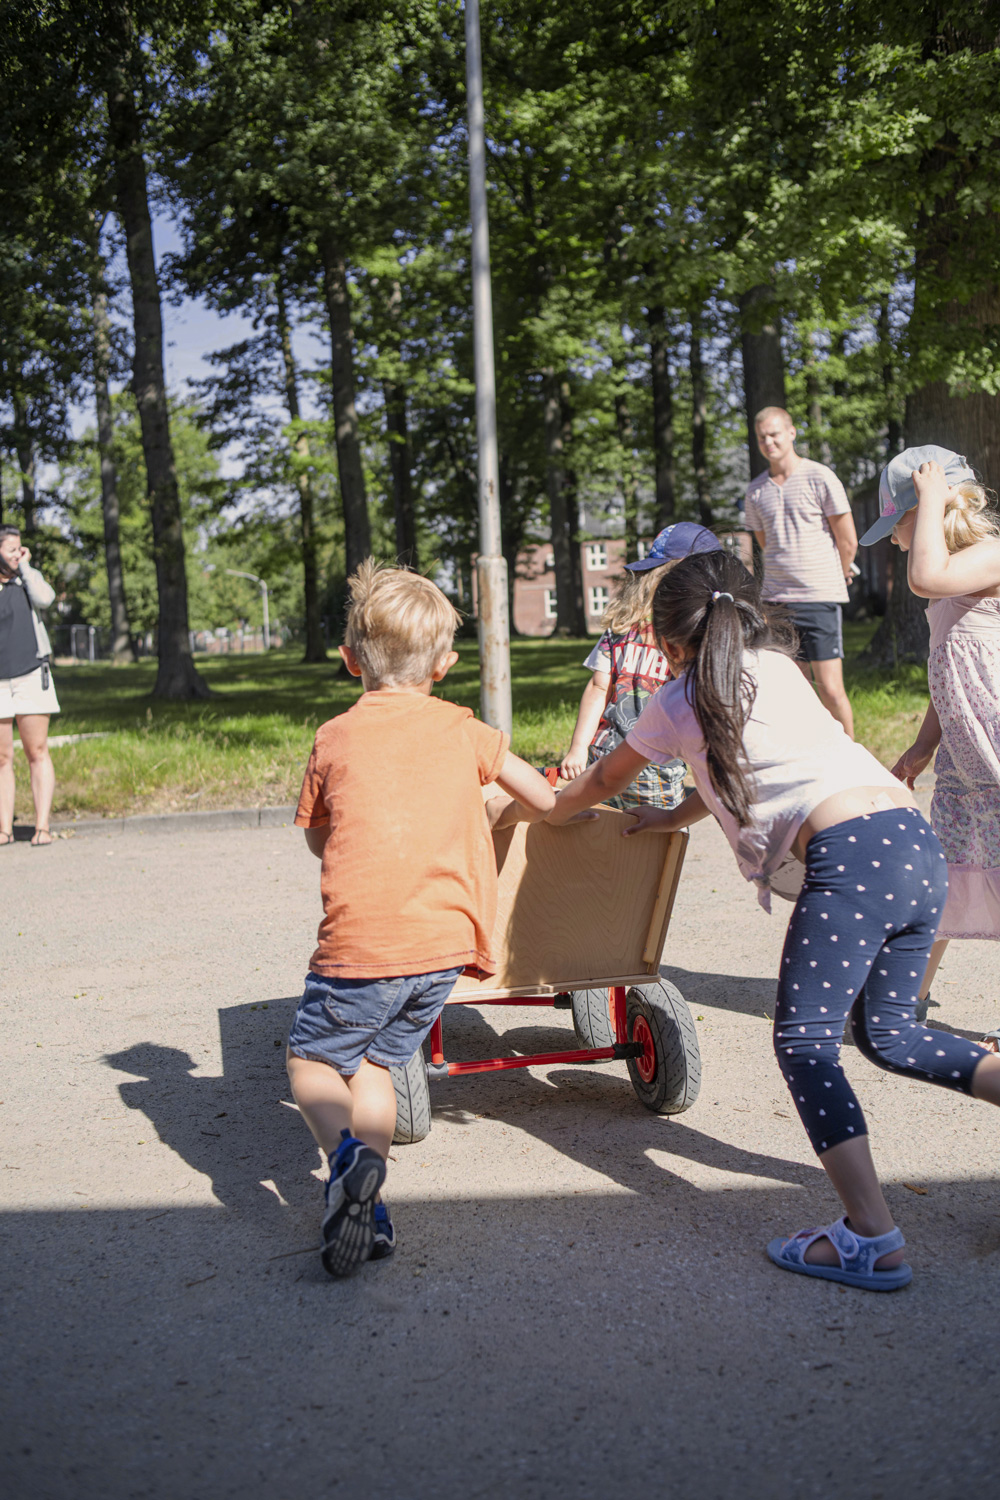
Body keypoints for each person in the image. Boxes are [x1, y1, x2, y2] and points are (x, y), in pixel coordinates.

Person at [548, 548, 1000, 1291]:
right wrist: (680, 810)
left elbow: (598, 780)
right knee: (889, 1035)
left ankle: (870, 1237)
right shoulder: (778, 672)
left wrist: (538, 804)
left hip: (852, 855)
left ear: (665, 645)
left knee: (803, 1042)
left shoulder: (676, 697)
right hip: (911, 839)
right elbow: (761, 758)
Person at [288, 560, 554, 1277]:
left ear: (350, 661)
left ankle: (345, 1160)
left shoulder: (333, 737)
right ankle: (367, 1210)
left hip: (363, 944)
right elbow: (545, 799)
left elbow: (319, 837)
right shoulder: (465, 729)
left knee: (313, 1060)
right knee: (378, 1060)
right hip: (446, 946)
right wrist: (488, 803)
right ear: (445, 664)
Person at [865, 450, 1000, 1042]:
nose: (893, 542)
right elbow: (948, 678)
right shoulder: (944, 591)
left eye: (896, 524)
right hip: (966, 766)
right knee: (942, 878)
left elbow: (926, 573)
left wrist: (932, 501)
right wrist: (920, 750)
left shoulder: (991, 556)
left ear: (925, 510)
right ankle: (904, 1003)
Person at [559, 522, 721, 811]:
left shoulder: (621, 625)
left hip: (603, 758)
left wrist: (578, 748)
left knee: (602, 839)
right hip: (657, 764)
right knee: (656, 848)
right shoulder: (693, 634)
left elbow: (598, 687)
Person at [745, 407, 858, 737]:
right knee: (794, 692)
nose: (769, 442)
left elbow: (847, 538)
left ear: (792, 433)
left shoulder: (819, 476)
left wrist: (838, 572)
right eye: (762, 437)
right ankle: (810, 757)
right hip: (776, 602)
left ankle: (852, 758)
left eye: (775, 434)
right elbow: (766, 544)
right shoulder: (755, 490)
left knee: (831, 689)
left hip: (819, 597)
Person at [0, 525, 59, 847]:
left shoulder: (26, 579)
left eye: (19, 548)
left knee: (36, 751)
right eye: (11, 549)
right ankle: (4, 829)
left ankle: (42, 827)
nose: (17, 553)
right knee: (1, 758)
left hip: (31, 674)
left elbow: (46, 599)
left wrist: (24, 565)